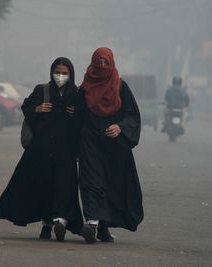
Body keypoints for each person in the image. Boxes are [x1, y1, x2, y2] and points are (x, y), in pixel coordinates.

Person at [0, 57, 83, 241]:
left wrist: (77, 115)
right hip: (41, 150)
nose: (60, 76)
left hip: (66, 151)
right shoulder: (43, 90)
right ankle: (46, 225)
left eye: (64, 73)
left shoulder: (77, 94)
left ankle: (60, 221)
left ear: (71, 74)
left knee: (64, 187)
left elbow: (84, 119)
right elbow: (26, 107)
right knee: (43, 188)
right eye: (57, 72)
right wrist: (38, 109)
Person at [75, 47, 144, 244]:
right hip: (90, 144)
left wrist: (120, 127)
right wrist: (74, 148)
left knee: (113, 185)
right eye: (99, 63)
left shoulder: (121, 87)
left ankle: (103, 229)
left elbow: (132, 114)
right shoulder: (85, 88)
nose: (102, 66)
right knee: (92, 182)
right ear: (92, 64)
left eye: (106, 63)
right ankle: (92, 222)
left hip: (115, 148)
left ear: (112, 63)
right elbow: (77, 119)